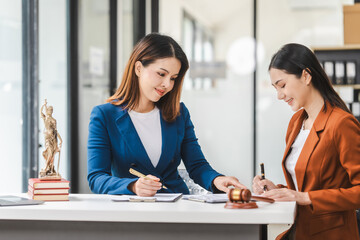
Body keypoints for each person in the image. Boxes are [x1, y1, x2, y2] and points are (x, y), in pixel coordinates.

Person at [87, 33, 245, 197]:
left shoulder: (179, 113)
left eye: (173, 78)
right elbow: (96, 178)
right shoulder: (104, 115)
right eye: (161, 74)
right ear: (138, 68)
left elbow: (197, 165)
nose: (167, 85)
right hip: (132, 212)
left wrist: (217, 180)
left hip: (177, 208)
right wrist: (133, 185)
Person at [252, 43, 360, 240]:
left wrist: (304, 197)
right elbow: (303, 187)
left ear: (306, 76)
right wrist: (278, 190)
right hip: (300, 229)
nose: (279, 95)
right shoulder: (296, 122)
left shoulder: (341, 123)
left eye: (282, 85)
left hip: (330, 235)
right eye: (276, 88)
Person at [40, 99, 62, 177]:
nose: (50, 111)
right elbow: (41, 112)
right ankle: (46, 167)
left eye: (51, 110)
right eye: (49, 110)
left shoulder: (54, 120)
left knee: (52, 155)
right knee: (48, 152)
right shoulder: (45, 118)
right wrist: (43, 105)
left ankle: (50, 168)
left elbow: (56, 131)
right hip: (48, 138)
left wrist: (60, 139)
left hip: (54, 139)